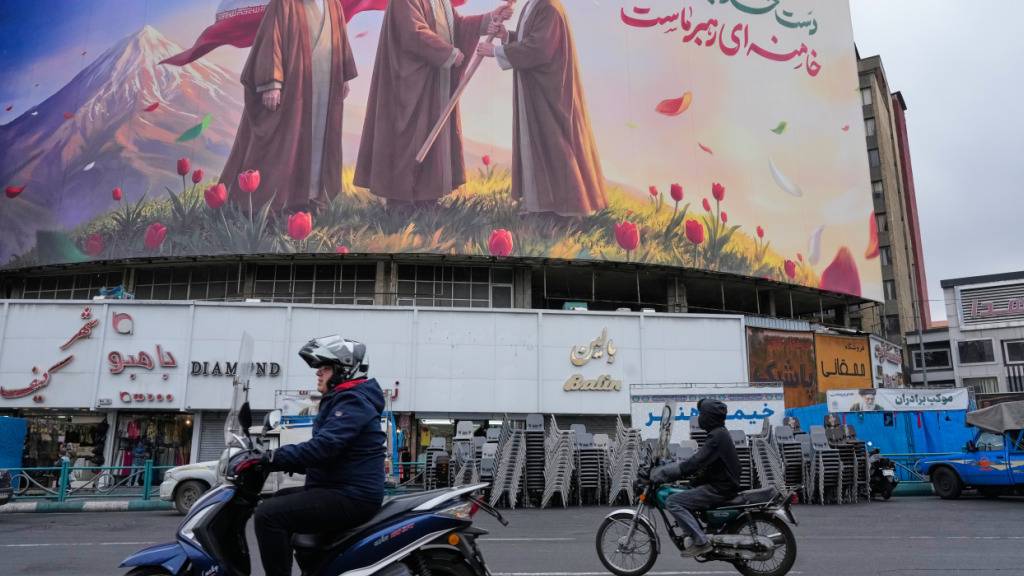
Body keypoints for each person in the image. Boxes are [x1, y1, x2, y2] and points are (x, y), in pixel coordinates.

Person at [355, 0, 512, 207]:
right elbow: (413, 33)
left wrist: (489, 18)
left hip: (433, 82)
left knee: (430, 137)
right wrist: (448, 53)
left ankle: (426, 199)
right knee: (409, 139)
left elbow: (456, 25)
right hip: (410, 86)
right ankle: (401, 203)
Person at [254, 336, 386, 576]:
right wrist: (287, 462)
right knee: (275, 500)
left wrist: (272, 458)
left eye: (324, 368)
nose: (318, 373)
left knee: (268, 516)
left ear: (344, 370)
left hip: (352, 495)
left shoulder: (353, 400)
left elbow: (325, 447)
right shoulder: (346, 399)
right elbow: (336, 454)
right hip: (341, 487)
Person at [222, 0, 358, 212]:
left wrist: (344, 77)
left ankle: (312, 199)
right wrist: (272, 82)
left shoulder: (333, 5)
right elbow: (271, 39)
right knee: (286, 143)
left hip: (326, 85)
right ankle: (277, 204)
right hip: (295, 88)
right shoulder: (283, 3)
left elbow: (340, 40)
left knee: (319, 141)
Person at [476, 0, 608, 218]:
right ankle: (544, 207)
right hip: (537, 89)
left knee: (556, 144)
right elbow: (530, 38)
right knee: (540, 144)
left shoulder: (549, 6)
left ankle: (568, 212)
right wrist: (506, 36)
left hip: (550, 92)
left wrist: (496, 50)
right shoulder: (535, 4)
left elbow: (539, 49)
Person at [650, 399, 740, 558]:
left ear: (709, 417)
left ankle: (701, 541)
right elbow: (709, 465)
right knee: (685, 492)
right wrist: (693, 481)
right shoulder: (719, 433)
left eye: (702, 414)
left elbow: (695, 462)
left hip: (720, 488)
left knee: (673, 501)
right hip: (721, 484)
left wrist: (665, 473)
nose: (699, 417)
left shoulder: (717, 436)